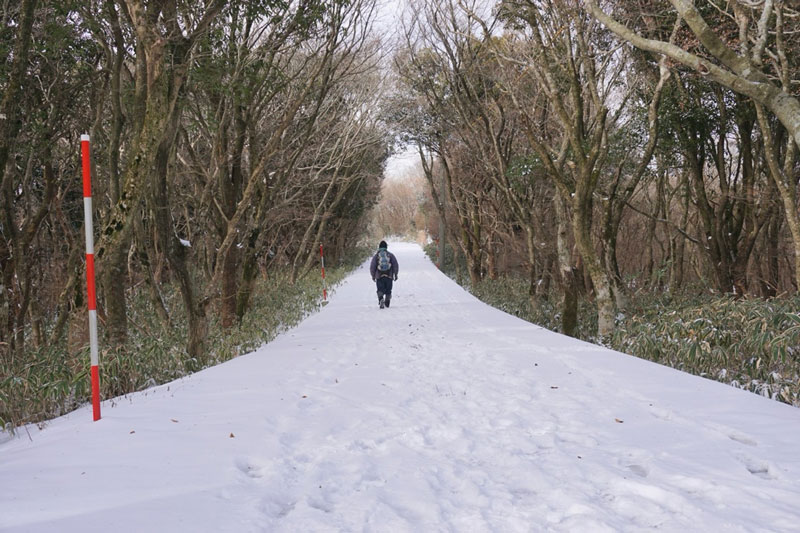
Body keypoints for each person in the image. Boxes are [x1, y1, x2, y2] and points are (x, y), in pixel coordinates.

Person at [370, 240, 398, 309]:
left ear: (379, 247)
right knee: (388, 290)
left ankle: (381, 299)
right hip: (389, 276)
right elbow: (395, 265)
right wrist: (395, 274)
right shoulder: (390, 255)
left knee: (380, 289)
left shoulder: (376, 256)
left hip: (379, 276)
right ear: (386, 247)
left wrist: (373, 276)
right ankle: (387, 301)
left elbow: (372, 267)